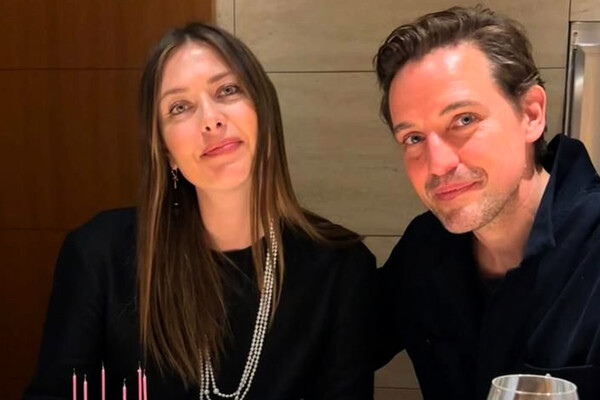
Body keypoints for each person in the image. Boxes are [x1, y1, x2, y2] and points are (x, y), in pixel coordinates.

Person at [23, 23, 376, 400]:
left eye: (227, 90)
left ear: (264, 110)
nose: (210, 119)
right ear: (166, 151)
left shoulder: (340, 268)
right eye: (180, 107)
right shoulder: (99, 255)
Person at [374, 5, 600, 400]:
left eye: (464, 120)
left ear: (531, 114)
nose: (438, 163)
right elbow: (335, 339)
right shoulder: (424, 250)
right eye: (414, 138)